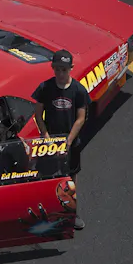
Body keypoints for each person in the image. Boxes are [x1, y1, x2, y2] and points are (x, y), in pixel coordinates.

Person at [31, 50, 91, 230]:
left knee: (70, 177)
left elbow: (81, 118)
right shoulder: (45, 88)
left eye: (64, 69)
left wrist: (69, 141)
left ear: (71, 68)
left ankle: (71, 213)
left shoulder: (79, 90)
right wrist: (46, 136)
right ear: (53, 68)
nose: (60, 73)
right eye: (57, 69)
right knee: (46, 175)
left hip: (71, 143)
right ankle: (46, 212)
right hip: (49, 143)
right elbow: (38, 114)